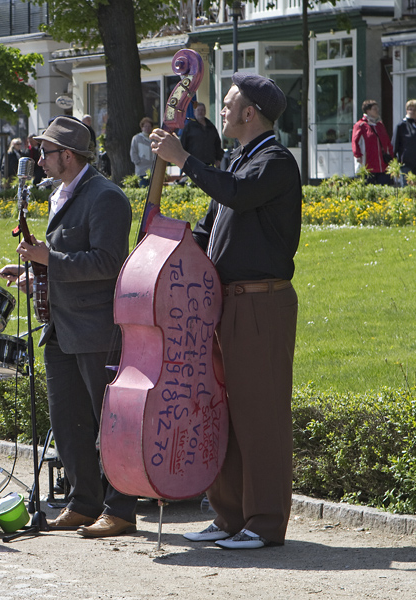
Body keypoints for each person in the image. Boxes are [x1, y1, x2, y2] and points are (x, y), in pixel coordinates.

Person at [150, 72, 301, 550]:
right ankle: (230, 515)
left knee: (261, 416)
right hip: (228, 305)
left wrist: (184, 159)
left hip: (260, 303)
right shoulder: (241, 160)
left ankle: (265, 522)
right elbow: (208, 229)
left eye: (230, 101)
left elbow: (233, 194)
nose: (221, 107)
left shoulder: (274, 162)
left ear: (249, 113)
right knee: (224, 416)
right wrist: (160, 255)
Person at [0, 117, 137, 539]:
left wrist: (48, 262)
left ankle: (121, 509)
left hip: (97, 329)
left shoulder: (106, 197)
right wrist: (35, 275)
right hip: (59, 326)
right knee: (68, 420)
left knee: (109, 424)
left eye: (46, 152)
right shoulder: (62, 193)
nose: (39, 159)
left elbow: (109, 263)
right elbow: (62, 259)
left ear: (69, 156)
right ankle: (83, 501)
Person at [352, 100, 394, 185]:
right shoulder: (360, 125)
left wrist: (392, 156)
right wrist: (358, 156)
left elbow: (387, 142)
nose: (377, 110)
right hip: (368, 165)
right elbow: (355, 142)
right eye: (374, 108)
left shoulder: (380, 125)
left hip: (383, 165)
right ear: (368, 111)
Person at [179, 103, 224, 168]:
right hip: (194, 164)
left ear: (205, 112)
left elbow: (217, 144)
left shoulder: (211, 127)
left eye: (202, 110)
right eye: (198, 110)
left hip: (210, 164)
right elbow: (183, 145)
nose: (200, 112)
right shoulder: (189, 127)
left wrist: (219, 159)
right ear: (194, 112)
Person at [130, 117, 155, 185]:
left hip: (152, 170)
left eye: (149, 126)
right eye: (145, 126)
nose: (147, 128)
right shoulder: (137, 138)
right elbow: (133, 152)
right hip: (141, 170)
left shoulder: (154, 139)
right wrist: (138, 162)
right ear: (142, 127)